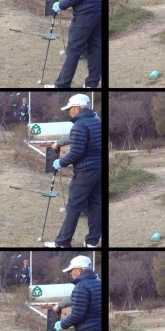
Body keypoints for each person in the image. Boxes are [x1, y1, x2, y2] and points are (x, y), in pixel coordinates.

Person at [44, 94, 101, 248]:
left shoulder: (80, 125)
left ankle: (62, 242)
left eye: (70, 108)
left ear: (77, 108)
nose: (69, 111)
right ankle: (92, 241)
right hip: (98, 169)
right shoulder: (97, 120)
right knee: (95, 204)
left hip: (85, 171)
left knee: (73, 207)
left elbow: (76, 152)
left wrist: (61, 162)